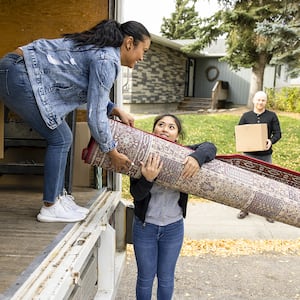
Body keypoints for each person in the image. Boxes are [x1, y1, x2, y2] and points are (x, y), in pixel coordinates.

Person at [0, 19, 151, 223]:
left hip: (14, 70)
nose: (142, 58)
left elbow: (92, 91)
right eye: (144, 50)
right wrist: (112, 153)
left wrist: (114, 108)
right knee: (61, 138)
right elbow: (95, 117)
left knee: (62, 137)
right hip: (17, 74)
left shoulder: (103, 52)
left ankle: (58, 198)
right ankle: (50, 206)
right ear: (129, 43)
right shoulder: (107, 60)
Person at [130, 114, 217, 300]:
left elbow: (210, 146)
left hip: (173, 228)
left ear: (177, 135)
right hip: (145, 228)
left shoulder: (185, 153)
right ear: (154, 129)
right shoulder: (141, 154)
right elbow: (136, 194)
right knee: (145, 279)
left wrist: (197, 158)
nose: (165, 129)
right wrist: (148, 179)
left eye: (171, 127)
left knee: (166, 278)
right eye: (160, 124)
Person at [237, 91, 282, 222]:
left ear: (266, 102)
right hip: (249, 155)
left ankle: (267, 211)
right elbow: (239, 133)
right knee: (247, 183)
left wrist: (271, 141)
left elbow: (278, 133)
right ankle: (244, 208)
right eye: (258, 100)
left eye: (263, 100)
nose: (260, 102)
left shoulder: (272, 116)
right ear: (254, 101)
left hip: (265, 155)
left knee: (266, 185)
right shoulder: (246, 116)